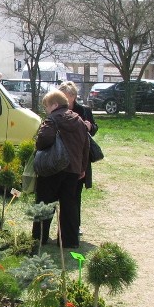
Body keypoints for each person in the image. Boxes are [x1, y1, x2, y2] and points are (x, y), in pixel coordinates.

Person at [31, 89, 89, 249]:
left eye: (47, 106)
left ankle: (40, 237)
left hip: (52, 168)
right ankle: (68, 241)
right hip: (73, 169)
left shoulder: (52, 119)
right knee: (69, 205)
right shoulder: (78, 120)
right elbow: (86, 145)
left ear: (55, 104)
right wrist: (82, 167)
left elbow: (44, 140)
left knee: (45, 202)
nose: (46, 109)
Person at [58, 80, 98, 240]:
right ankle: (62, 227)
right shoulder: (57, 109)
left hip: (80, 158)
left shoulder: (84, 111)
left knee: (75, 195)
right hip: (61, 156)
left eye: (66, 97)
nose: (63, 100)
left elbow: (94, 129)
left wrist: (89, 127)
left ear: (73, 97)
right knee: (63, 194)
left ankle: (76, 225)